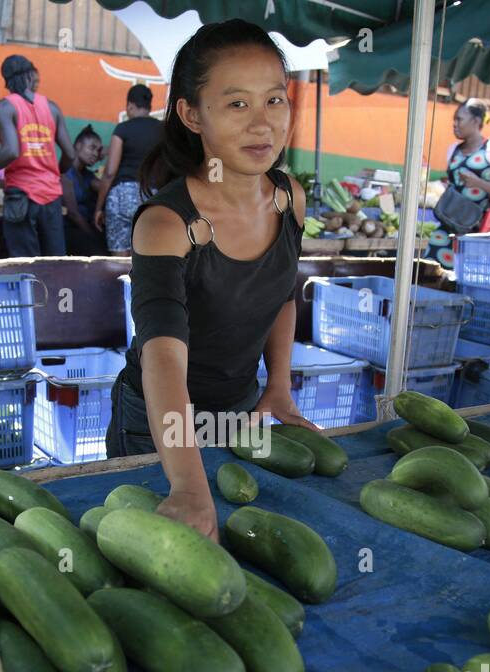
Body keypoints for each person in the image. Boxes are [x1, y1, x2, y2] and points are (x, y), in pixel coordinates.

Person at [104, 19, 314, 541]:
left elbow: (282, 296)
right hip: (157, 424)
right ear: (192, 114)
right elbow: (163, 354)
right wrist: (188, 485)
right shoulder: (167, 224)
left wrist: (280, 388)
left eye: (275, 100)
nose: (264, 124)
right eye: (237, 104)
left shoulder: (289, 197)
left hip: (240, 410)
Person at [0, 55, 73, 257]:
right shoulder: (52, 108)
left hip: (22, 197)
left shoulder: (5, 106)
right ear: (30, 76)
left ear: (7, 82)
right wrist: (54, 172)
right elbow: (70, 154)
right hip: (51, 197)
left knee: (25, 266)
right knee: (55, 264)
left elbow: (11, 151)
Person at [424, 99, 490, 268]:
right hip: (449, 222)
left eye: (459, 119)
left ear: (476, 121)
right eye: (454, 120)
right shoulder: (453, 150)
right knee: (432, 267)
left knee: (467, 275)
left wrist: (479, 183)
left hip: (477, 229)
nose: (455, 124)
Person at [95, 84, 164, 255]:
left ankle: (121, 283)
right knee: (147, 258)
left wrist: (98, 207)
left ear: (130, 106)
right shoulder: (163, 130)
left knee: (119, 260)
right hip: (151, 197)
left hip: (121, 195)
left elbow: (110, 172)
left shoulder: (122, 129)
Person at [62, 125, 107, 256]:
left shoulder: (87, 175)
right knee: (99, 250)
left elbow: (106, 188)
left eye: (98, 151)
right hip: (70, 231)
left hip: (85, 229)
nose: (95, 153)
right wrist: (93, 235)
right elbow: (73, 214)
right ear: (78, 145)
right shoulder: (65, 173)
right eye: (92, 148)